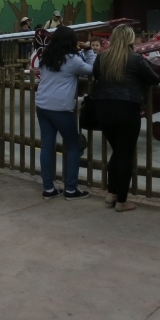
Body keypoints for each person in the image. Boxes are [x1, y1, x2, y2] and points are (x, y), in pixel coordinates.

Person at [90, 23, 159, 211]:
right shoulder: (136, 59)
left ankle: (111, 193)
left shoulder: (102, 57)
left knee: (118, 152)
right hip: (127, 108)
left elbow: (96, 75)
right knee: (125, 154)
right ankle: (121, 200)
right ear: (130, 39)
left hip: (103, 108)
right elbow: (153, 79)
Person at [36, 27, 96, 200]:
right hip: (61, 108)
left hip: (42, 104)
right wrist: (89, 50)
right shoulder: (72, 60)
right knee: (74, 145)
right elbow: (92, 69)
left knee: (47, 146)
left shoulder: (46, 57)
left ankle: (48, 188)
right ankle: (70, 188)